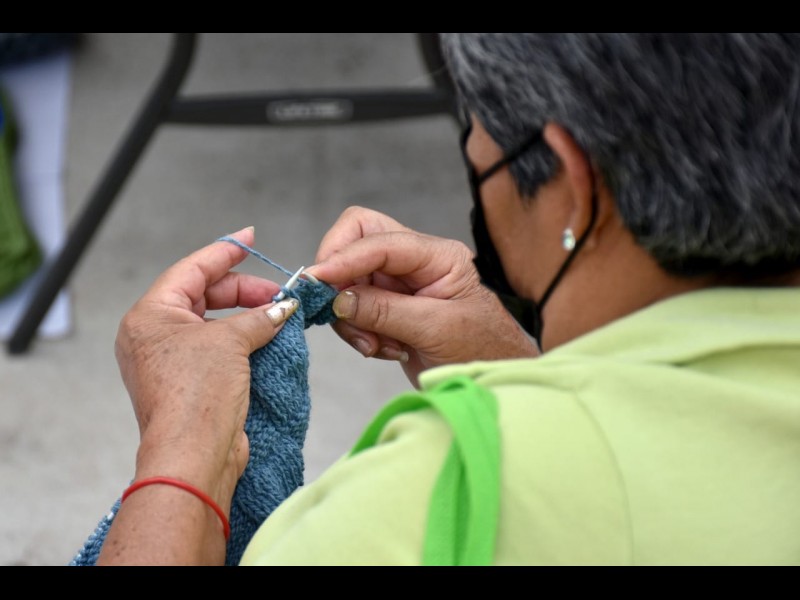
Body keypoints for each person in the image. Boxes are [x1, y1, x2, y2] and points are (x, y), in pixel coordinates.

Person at [96, 33, 800, 566]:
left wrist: (181, 447)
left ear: (572, 189)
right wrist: (520, 370)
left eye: (479, 154)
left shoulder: (419, 507)